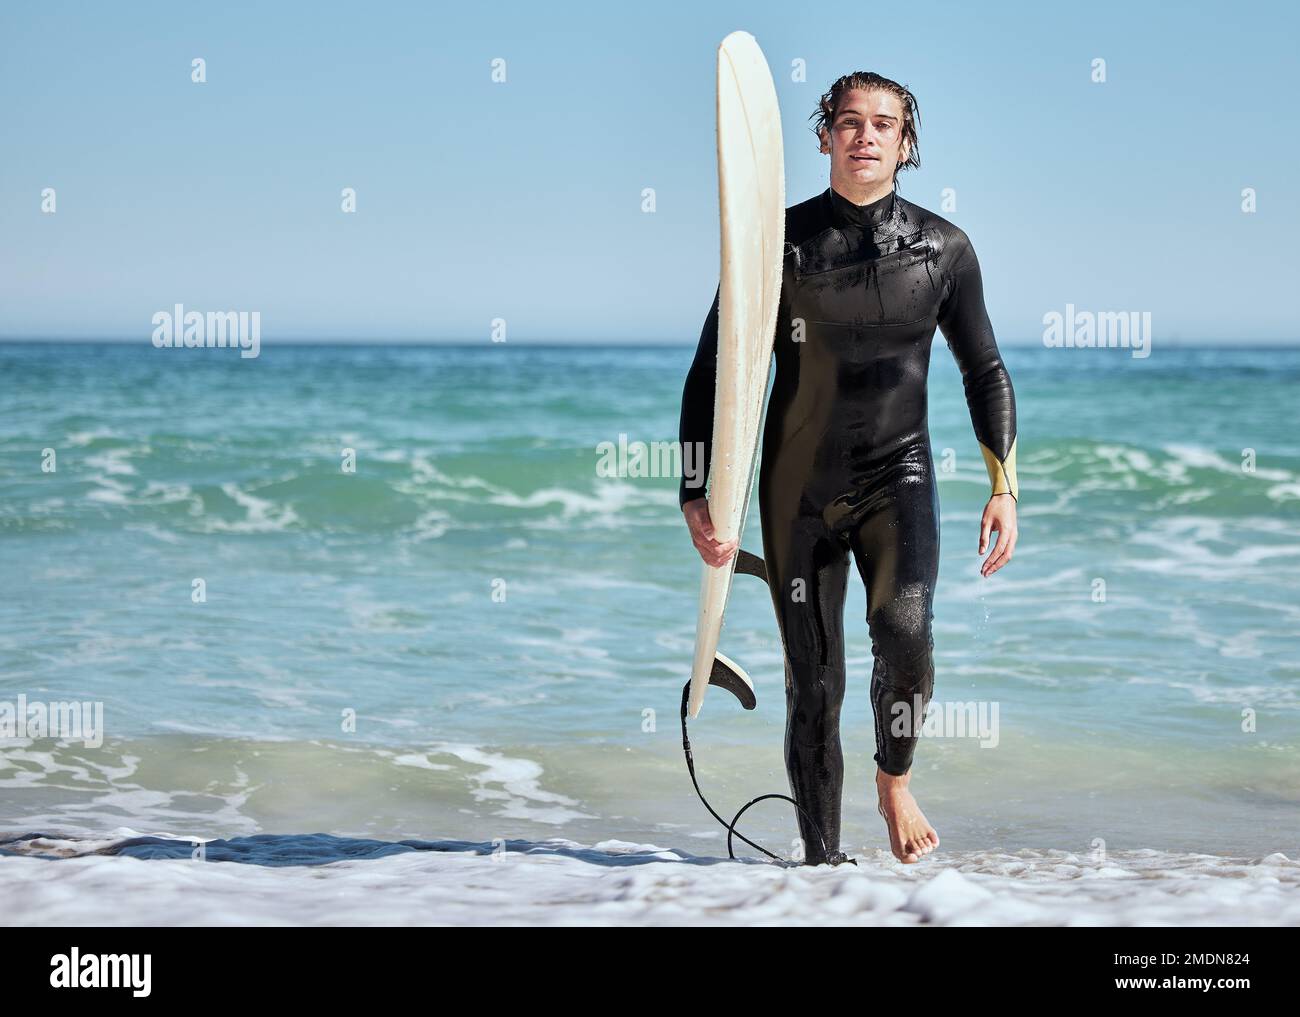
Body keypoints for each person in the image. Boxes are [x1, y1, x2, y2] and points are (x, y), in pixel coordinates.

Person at [679, 72, 1019, 865]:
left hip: (897, 478)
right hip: (797, 491)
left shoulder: (944, 251)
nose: (865, 135)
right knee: (814, 684)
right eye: (849, 121)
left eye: (884, 125)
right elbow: (713, 369)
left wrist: (1004, 485)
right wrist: (696, 487)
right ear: (826, 133)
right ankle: (822, 870)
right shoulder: (777, 247)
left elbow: (986, 370)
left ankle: (893, 777)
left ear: (906, 144)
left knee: (906, 635)